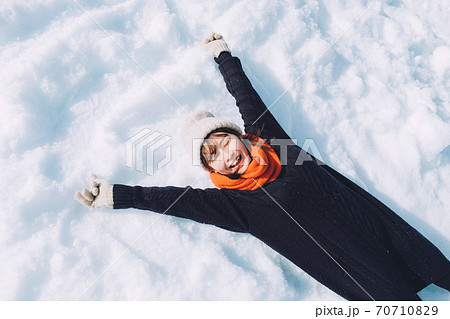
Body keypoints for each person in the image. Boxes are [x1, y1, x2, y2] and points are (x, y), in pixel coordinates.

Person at [75, 32, 450, 301]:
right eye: (213, 156)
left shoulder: (274, 143)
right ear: (211, 168)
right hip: (360, 271)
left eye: (224, 142)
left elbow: (245, 96)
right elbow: (176, 200)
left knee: (438, 265)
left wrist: (223, 57)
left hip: (382, 229)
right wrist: (117, 195)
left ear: (238, 135)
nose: (226, 154)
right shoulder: (238, 204)